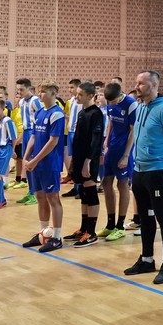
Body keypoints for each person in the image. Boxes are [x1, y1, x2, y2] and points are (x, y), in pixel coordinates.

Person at [124, 71, 163, 285]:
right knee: (145, 215)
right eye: (137, 82)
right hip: (140, 170)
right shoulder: (141, 107)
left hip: (159, 170)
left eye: (141, 83)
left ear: (154, 85)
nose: (137, 86)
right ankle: (147, 259)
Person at [22, 81, 66, 252]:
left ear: (53, 93)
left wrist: (35, 160)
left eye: (43, 91)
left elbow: (53, 142)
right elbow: (33, 137)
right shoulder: (40, 112)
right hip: (36, 164)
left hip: (50, 164)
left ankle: (56, 237)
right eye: (39, 91)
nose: (40, 94)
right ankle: (43, 233)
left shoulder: (57, 114)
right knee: (40, 197)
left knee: (53, 198)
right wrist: (26, 157)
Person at [64, 81, 104, 248]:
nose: (77, 97)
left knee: (91, 192)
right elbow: (78, 140)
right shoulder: (81, 113)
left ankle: (91, 232)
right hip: (80, 159)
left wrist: (87, 161)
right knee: (83, 193)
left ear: (90, 96)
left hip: (90, 160)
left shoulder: (96, 113)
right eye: (77, 94)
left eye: (80, 94)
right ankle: (83, 228)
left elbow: (95, 141)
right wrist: (74, 161)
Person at [100, 82, 137, 240]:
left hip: (124, 149)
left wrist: (126, 155)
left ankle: (120, 225)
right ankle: (110, 224)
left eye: (114, 100)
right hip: (112, 148)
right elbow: (111, 123)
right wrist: (106, 142)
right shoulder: (110, 103)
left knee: (122, 184)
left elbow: (133, 131)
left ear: (120, 94)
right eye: (110, 101)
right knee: (106, 183)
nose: (112, 103)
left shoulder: (131, 104)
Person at [15, 79, 40, 205]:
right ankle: (31, 191)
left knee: (32, 161)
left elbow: (41, 116)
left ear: (29, 88)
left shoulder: (35, 100)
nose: (19, 92)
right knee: (25, 162)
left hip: (33, 133)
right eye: (18, 90)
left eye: (22, 90)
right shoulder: (21, 102)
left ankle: (36, 193)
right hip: (25, 132)